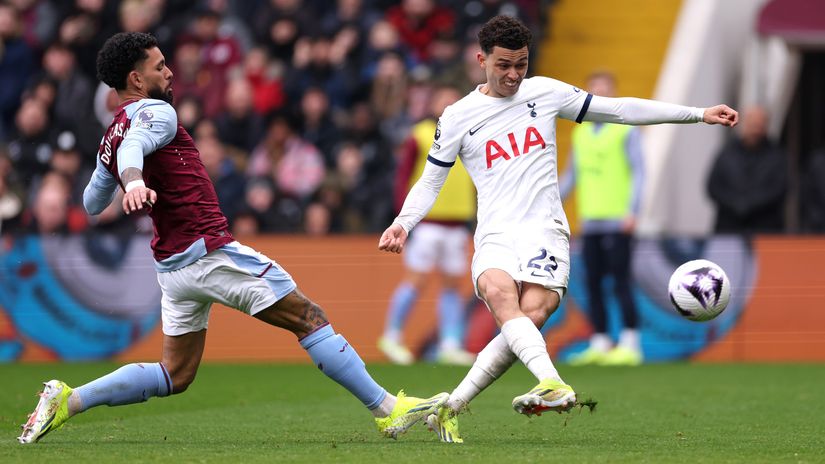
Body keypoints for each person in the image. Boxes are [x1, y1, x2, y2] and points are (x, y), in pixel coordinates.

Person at [18, 32, 447, 445]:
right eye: (160, 66)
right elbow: (133, 149)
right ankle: (387, 409)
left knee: (175, 374)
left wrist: (115, 168)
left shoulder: (110, 135)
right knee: (309, 317)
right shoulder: (157, 112)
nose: (169, 73)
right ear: (136, 79)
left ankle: (68, 401)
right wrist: (131, 180)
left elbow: (92, 202)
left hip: (172, 267)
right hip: (207, 253)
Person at [378, 15, 738, 444]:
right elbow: (431, 180)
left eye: (522, 64)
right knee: (499, 294)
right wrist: (403, 223)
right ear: (481, 60)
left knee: (529, 318)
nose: (513, 75)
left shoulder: (546, 93)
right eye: (504, 65)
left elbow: (620, 109)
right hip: (495, 233)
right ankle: (552, 382)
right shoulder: (457, 117)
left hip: (546, 231)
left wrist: (698, 114)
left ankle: (449, 407)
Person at [378, 84, 477, 366]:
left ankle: (450, 343)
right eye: (442, 99)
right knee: (416, 280)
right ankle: (392, 335)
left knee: (452, 284)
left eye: (452, 100)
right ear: (432, 104)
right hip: (428, 222)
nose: (447, 104)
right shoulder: (420, 135)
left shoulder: (468, 134)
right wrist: (403, 218)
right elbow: (403, 176)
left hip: (457, 223)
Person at [560, 71, 644, 366]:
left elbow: (638, 172)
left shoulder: (625, 130)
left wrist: (632, 211)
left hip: (618, 220)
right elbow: (571, 176)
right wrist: (547, 202)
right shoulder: (580, 133)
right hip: (590, 220)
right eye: (593, 92)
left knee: (621, 281)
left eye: (604, 92)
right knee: (593, 282)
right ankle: (601, 341)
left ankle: (631, 343)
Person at [706, 105, 787, 234]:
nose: (755, 129)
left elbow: (779, 189)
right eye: (752, 124)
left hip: (765, 230)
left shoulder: (777, 157)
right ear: (743, 123)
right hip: (729, 229)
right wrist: (735, 204)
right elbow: (713, 187)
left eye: (759, 125)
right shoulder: (727, 153)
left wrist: (750, 205)